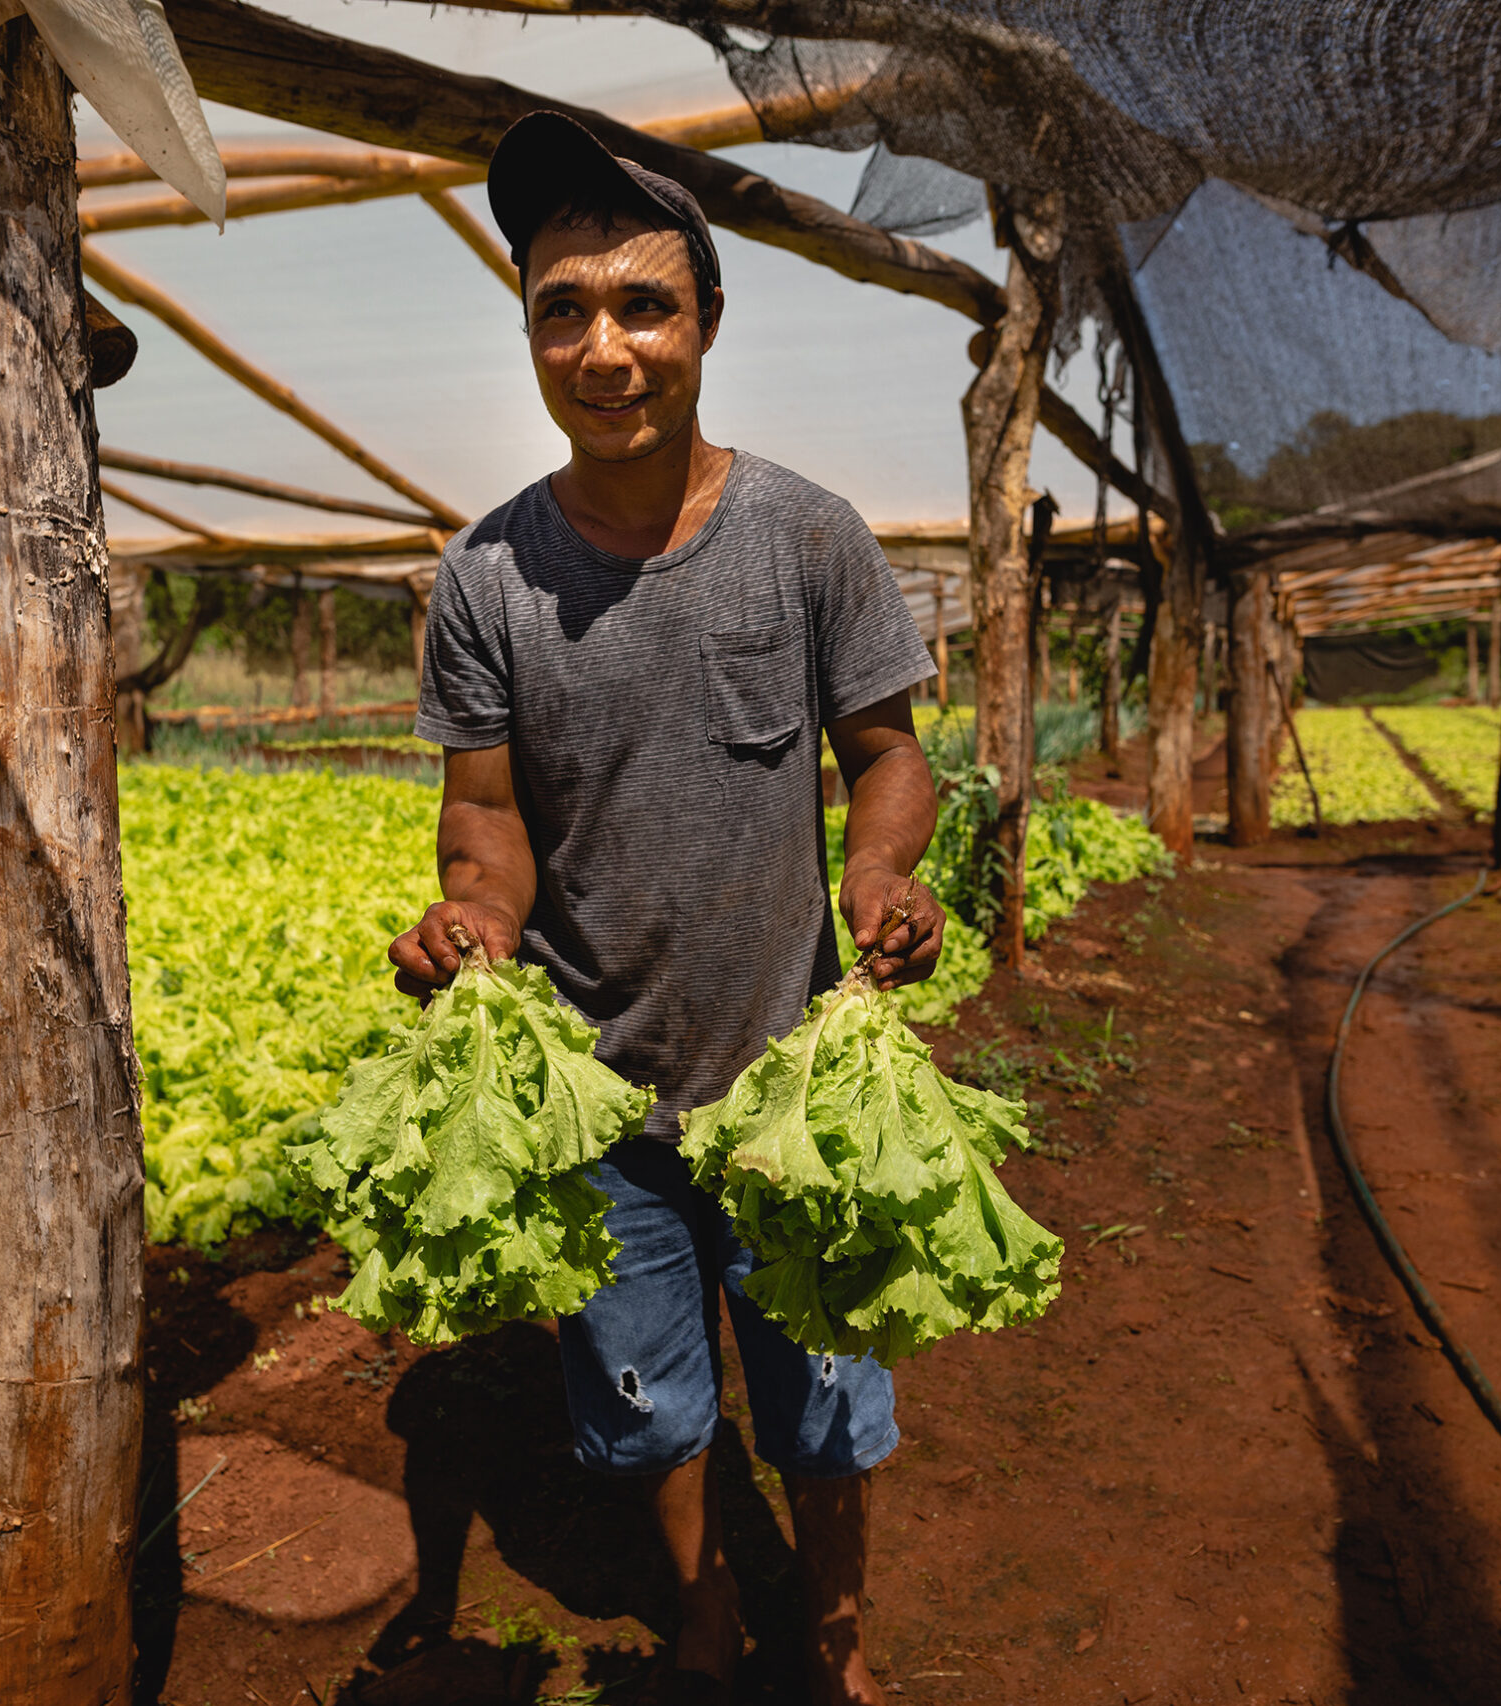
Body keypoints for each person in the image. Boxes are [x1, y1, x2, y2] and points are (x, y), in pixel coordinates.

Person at [386, 111, 946, 1706]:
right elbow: (487, 818)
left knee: (826, 1395)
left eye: (644, 305)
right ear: (530, 334)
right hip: (599, 1097)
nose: (606, 348)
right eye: (563, 309)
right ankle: (702, 1615)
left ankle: (833, 1641)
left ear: (705, 320)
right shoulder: (488, 578)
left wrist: (880, 872)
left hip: (791, 1090)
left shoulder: (807, 537)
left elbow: (888, 756)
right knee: (650, 1401)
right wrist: (477, 924)